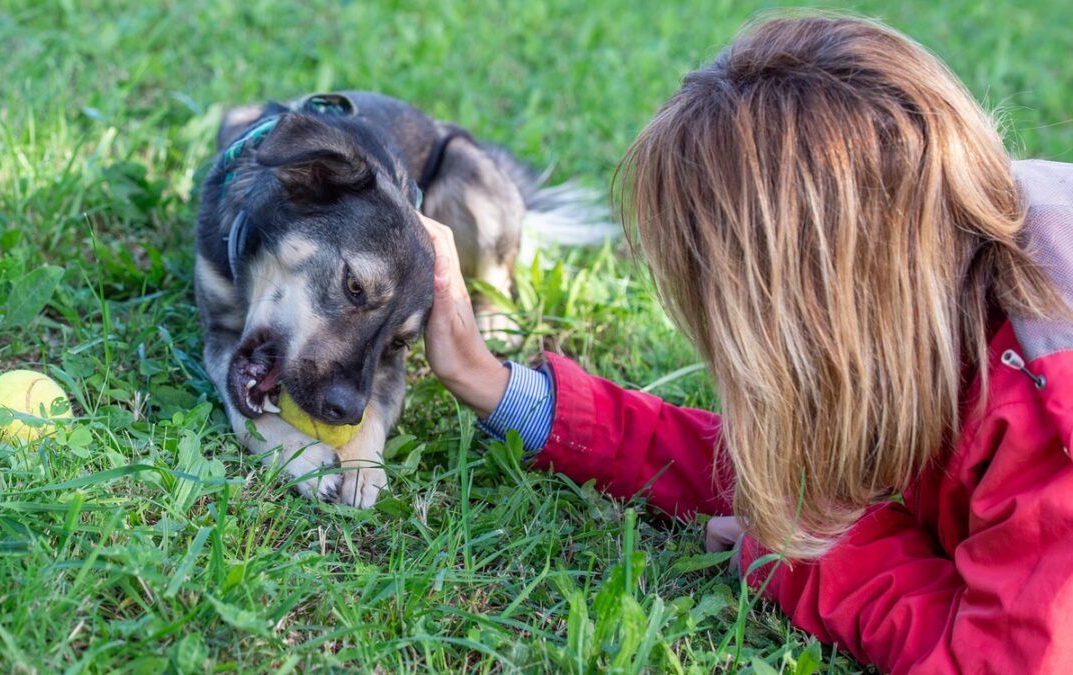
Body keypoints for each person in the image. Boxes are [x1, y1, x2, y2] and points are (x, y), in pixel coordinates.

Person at [420, 14, 1073, 675]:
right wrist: (496, 386)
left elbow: (1001, 660)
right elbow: (780, 469)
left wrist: (797, 558)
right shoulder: (957, 233)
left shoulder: (1048, 415)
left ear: (827, 298)